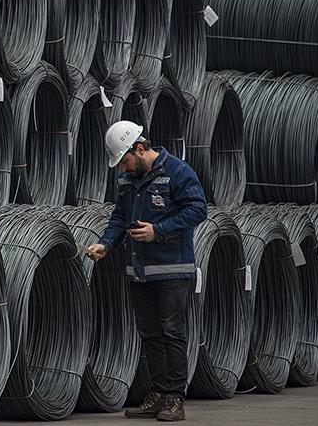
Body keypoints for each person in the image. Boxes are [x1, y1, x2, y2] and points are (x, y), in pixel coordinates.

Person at [85, 120, 207, 422]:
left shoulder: (177, 171)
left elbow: (198, 209)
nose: (122, 169)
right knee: (150, 334)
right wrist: (105, 244)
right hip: (139, 270)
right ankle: (158, 393)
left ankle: (175, 398)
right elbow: (119, 217)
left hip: (171, 271)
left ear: (140, 149)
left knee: (172, 333)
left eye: (124, 161)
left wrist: (159, 231)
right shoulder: (126, 180)